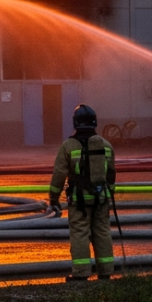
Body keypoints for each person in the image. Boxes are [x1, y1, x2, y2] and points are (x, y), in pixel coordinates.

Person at [48, 104, 117, 281]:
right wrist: (108, 194)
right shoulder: (106, 145)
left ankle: (81, 274)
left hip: (79, 201)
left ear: (75, 123)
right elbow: (111, 174)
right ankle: (106, 271)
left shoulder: (68, 146)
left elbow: (59, 175)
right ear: (95, 122)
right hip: (101, 199)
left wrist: (54, 198)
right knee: (102, 232)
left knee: (79, 233)